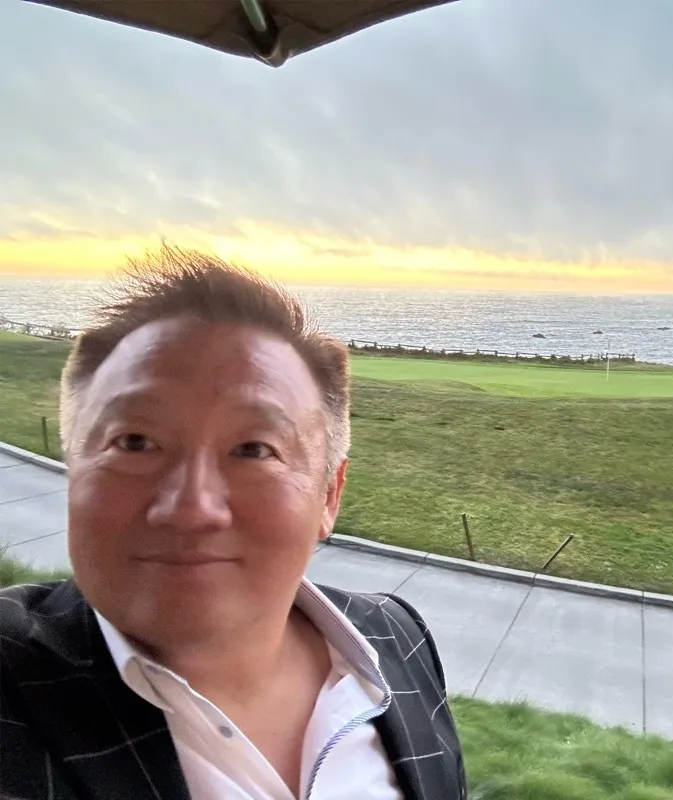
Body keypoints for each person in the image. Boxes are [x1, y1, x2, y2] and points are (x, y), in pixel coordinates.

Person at [0, 245, 467, 800]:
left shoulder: (400, 637)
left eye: (253, 449)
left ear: (329, 495)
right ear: (74, 466)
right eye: (135, 442)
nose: (190, 508)